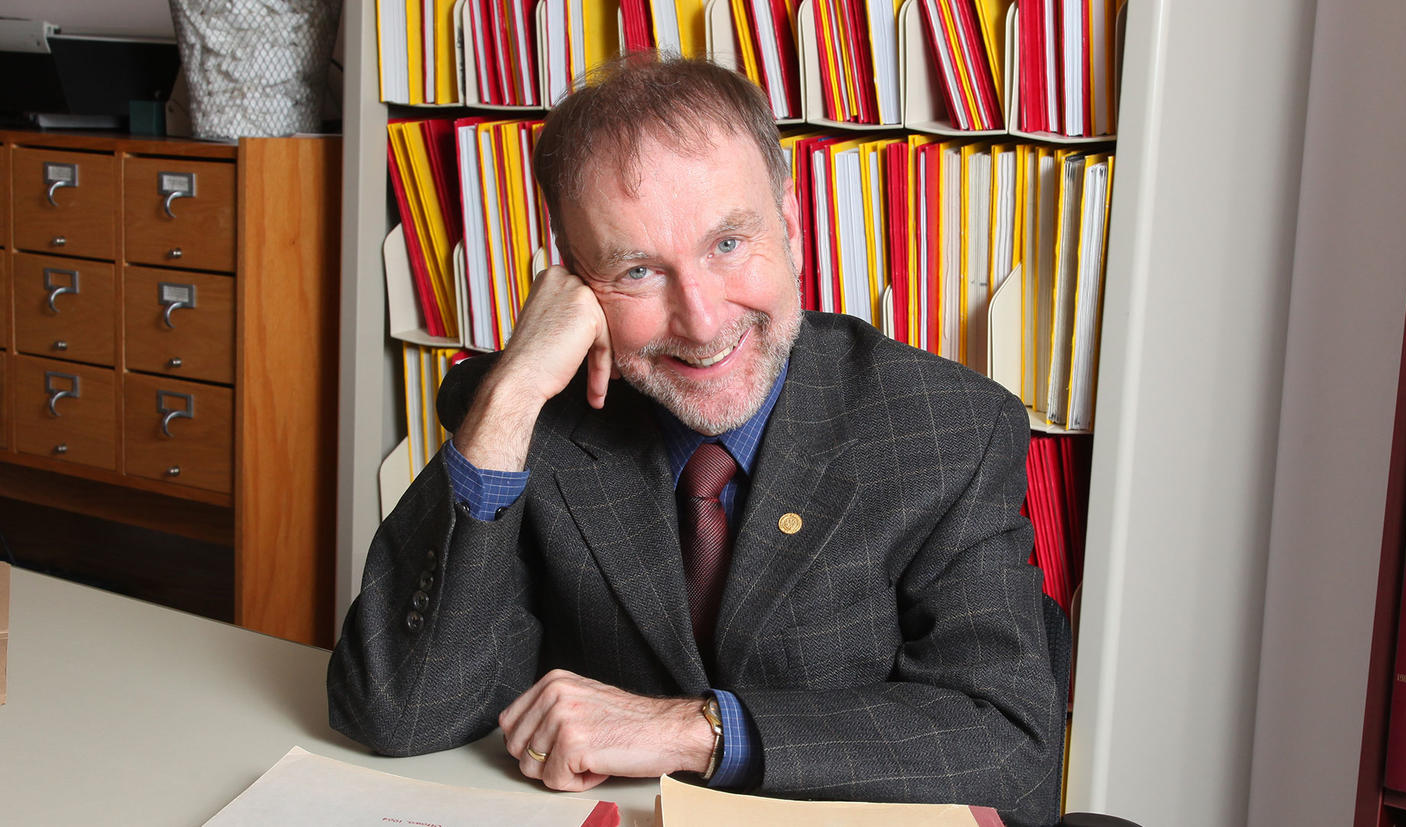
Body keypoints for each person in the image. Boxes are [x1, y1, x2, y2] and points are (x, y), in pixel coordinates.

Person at [328, 55, 1064, 827]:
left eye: (727, 244)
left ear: (791, 221)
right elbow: (397, 712)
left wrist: (694, 730)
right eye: (639, 270)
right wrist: (509, 394)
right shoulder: (536, 415)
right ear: (575, 278)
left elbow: (1009, 739)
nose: (704, 322)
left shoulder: (946, 427)